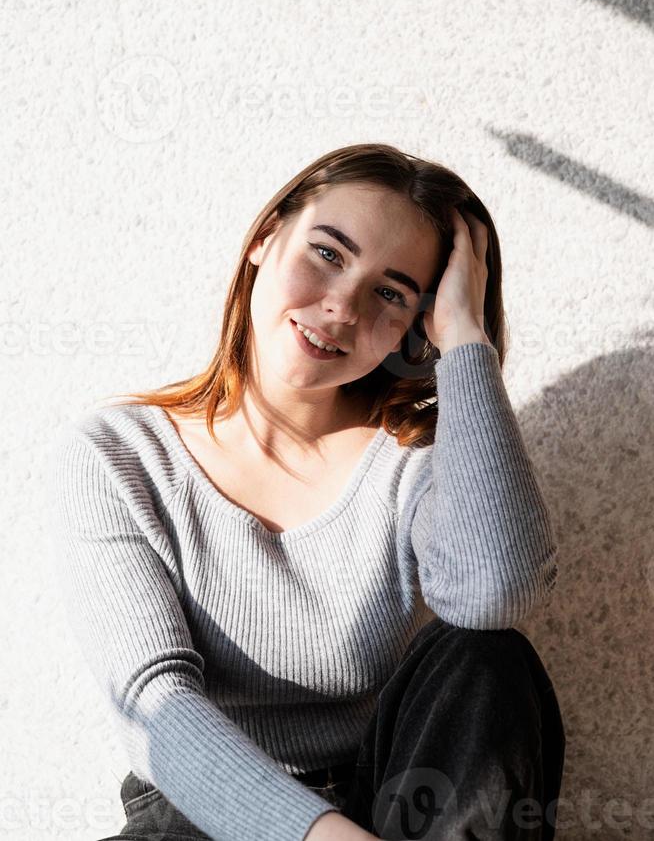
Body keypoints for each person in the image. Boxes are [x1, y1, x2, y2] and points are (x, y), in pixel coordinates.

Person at [51, 143, 564, 841]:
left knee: (486, 657)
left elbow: (496, 591)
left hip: (399, 806)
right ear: (265, 237)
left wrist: (467, 340)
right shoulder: (119, 456)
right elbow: (154, 706)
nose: (341, 306)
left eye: (390, 292)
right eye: (328, 253)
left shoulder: (413, 465)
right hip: (200, 817)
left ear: (416, 328)